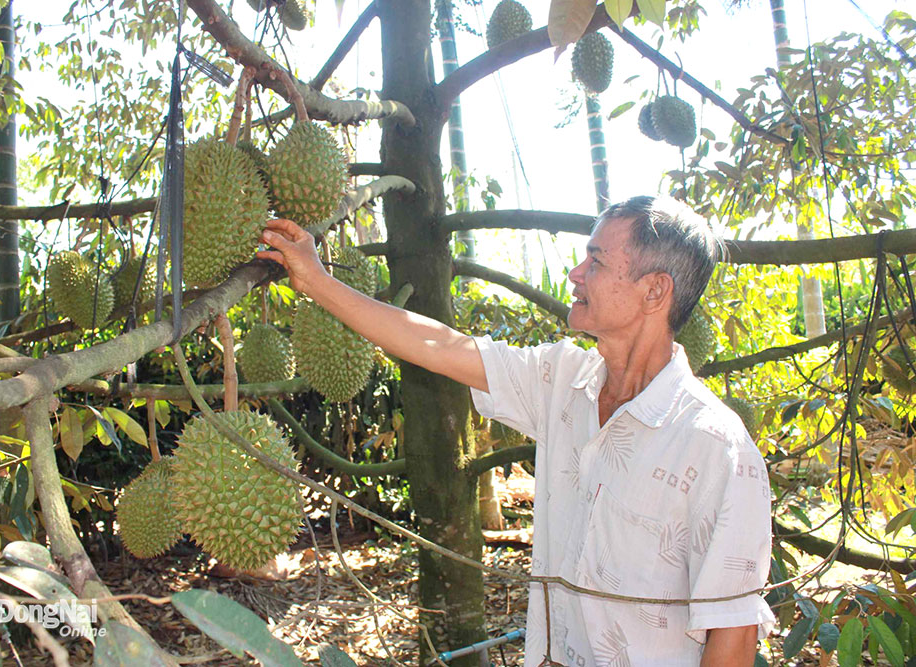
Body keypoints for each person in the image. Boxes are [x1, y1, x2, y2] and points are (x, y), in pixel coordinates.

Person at [258, 195, 775, 666]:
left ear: (654, 291)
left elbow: (732, 634)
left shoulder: (716, 447)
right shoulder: (562, 382)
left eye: (596, 261)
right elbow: (441, 347)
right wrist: (317, 281)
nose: (575, 273)